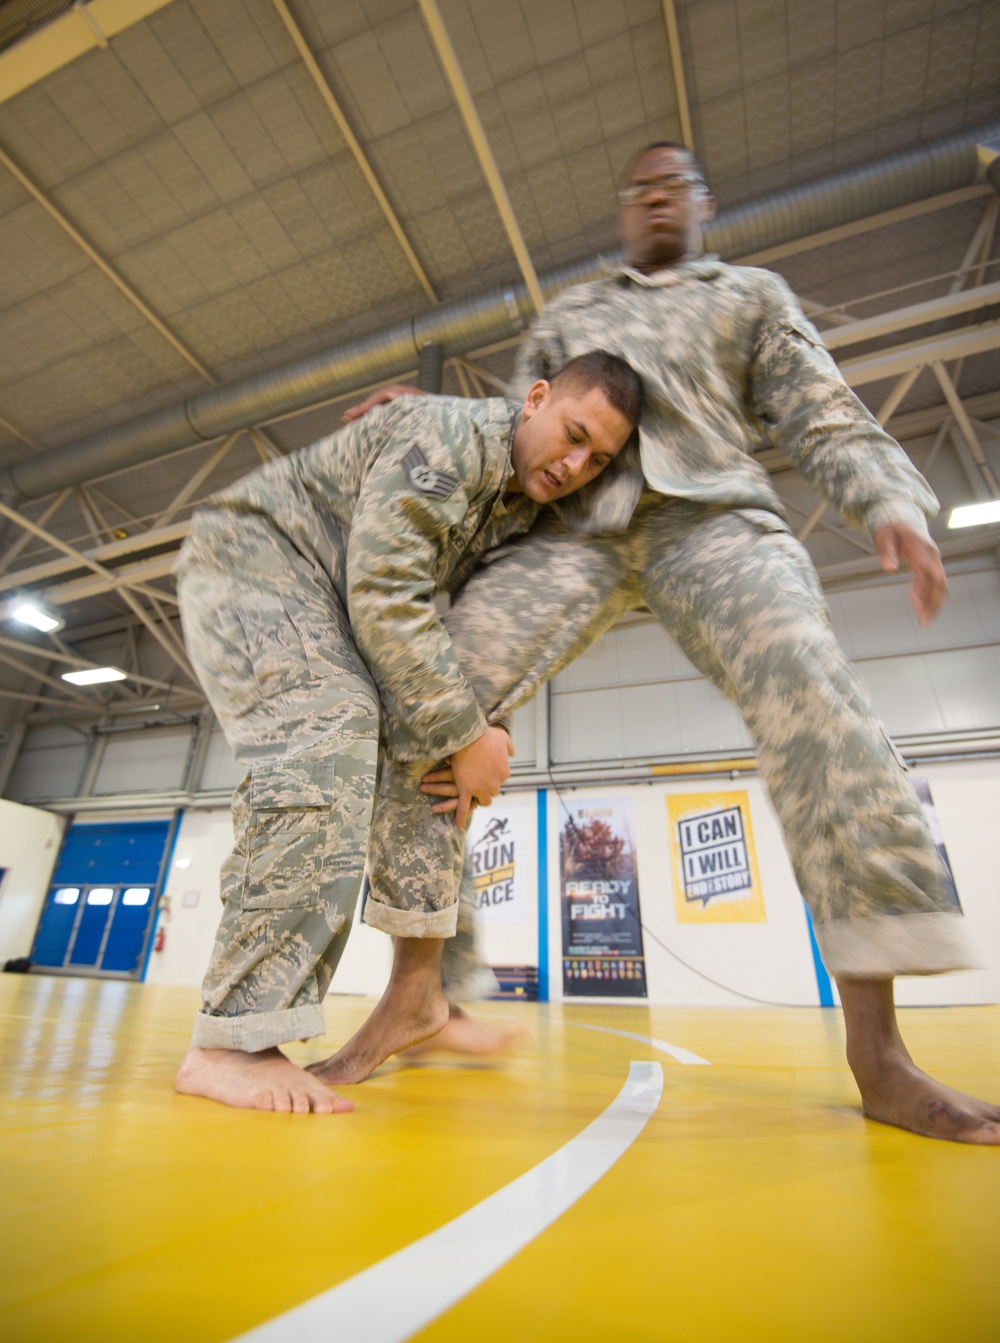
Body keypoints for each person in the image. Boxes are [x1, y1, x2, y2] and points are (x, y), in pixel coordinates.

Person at [327, 141, 1000, 1146]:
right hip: (572, 534)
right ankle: (416, 993)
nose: (650, 198)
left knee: (815, 700)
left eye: (669, 185)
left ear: (700, 202)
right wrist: (423, 422)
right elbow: (522, 423)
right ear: (621, 209)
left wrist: (888, 497)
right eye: (634, 187)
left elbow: (818, 410)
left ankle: (879, 1052)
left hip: (714, 524)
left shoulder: (748, 296)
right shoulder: (571, 313)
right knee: (431, 697)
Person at [172, 352, 644, 1113]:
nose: (577, 463)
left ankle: (430, 998)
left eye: (599, 458)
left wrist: (472, 733)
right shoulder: (447, 438)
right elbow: (386, 593)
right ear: (535, 400)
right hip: (256, 560)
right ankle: (232, 1040)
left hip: (333, 597)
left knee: (431, 752)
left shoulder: (519, 500)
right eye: (573, 434)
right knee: (331, 729)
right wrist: (467, 732)